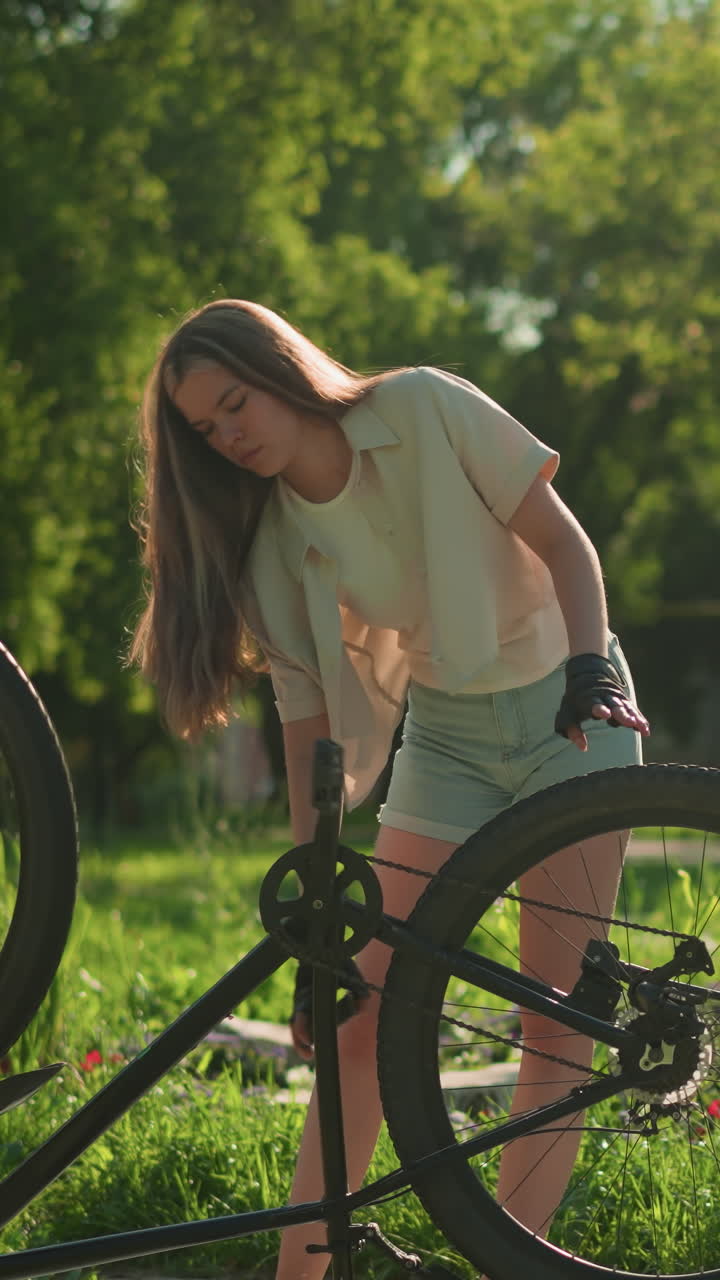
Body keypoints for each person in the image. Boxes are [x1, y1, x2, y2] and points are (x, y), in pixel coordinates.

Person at [130, 298, 650, 1280]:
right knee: (358, 1013)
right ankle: (303, 1272)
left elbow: (565, 541)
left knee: (552, 1016)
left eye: (235, 403)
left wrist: (592, 668)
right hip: (446, 736)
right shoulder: (277, 534)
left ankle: (516, 1261)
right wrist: (314, 887)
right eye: (206, 428)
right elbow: (305, 723)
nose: (228, 435)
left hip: (565, 711)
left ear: (280, 369)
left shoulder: (422, 408)